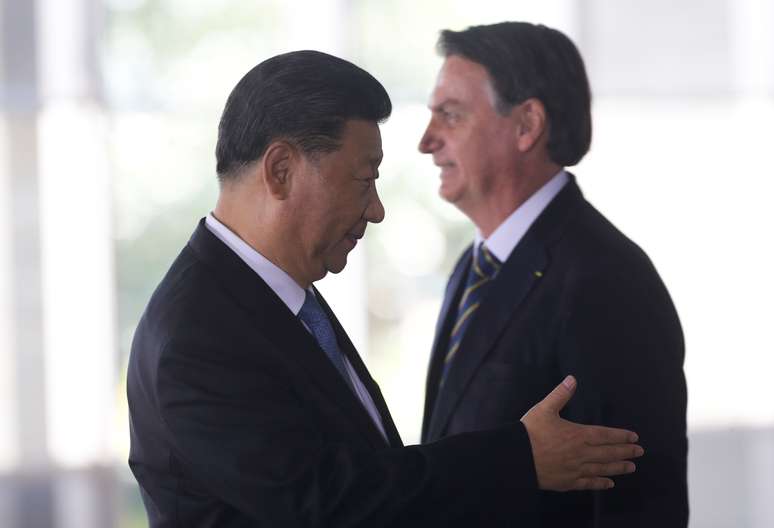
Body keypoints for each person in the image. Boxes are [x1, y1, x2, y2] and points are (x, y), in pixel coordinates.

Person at [127, 49, 643, 528]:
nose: (375, 209)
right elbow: (326, 501)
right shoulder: (198, 335)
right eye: (363, 179)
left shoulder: (275, 297)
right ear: (281, 170)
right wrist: (519, 458)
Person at [418, 22, 688, 527]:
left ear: (527, 126)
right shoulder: (471, 267)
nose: (426, 141)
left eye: (450, 115)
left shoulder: (606, 280)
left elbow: (637, 505)